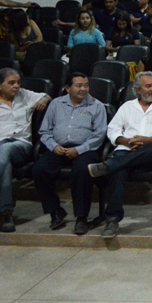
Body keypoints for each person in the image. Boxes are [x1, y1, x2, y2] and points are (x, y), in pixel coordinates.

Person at [88, 71, 152, 239]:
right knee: (119, 171)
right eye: (148, 86)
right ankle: (113, 219)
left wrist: (149, 140)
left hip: (150, 155)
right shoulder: (127, 107)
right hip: (126, 150)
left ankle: (108, 166)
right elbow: (113, 129)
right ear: (138, 89)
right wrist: (125, 141)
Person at [0, 68, 51, 232]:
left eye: (18, 82)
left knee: (4, 150)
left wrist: (44, 100)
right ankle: (5, 213)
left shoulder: (25, 95)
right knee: (3, 163)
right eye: (11, 83)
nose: (16, 86)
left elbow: (47, 94)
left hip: (20, 144)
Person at [32, 72, 108, 235]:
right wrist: (53, 146)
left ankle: (81, 218)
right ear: (67, 88)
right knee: (39, 169)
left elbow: (99, 135)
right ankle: (55, 211)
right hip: (58, 148)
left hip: (85, 149)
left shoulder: (97, 106)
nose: (83, 89)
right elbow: (44, 131)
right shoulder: (55, 104)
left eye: (86, 85)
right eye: (79, 86)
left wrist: (78, 149)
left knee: (82, 171)